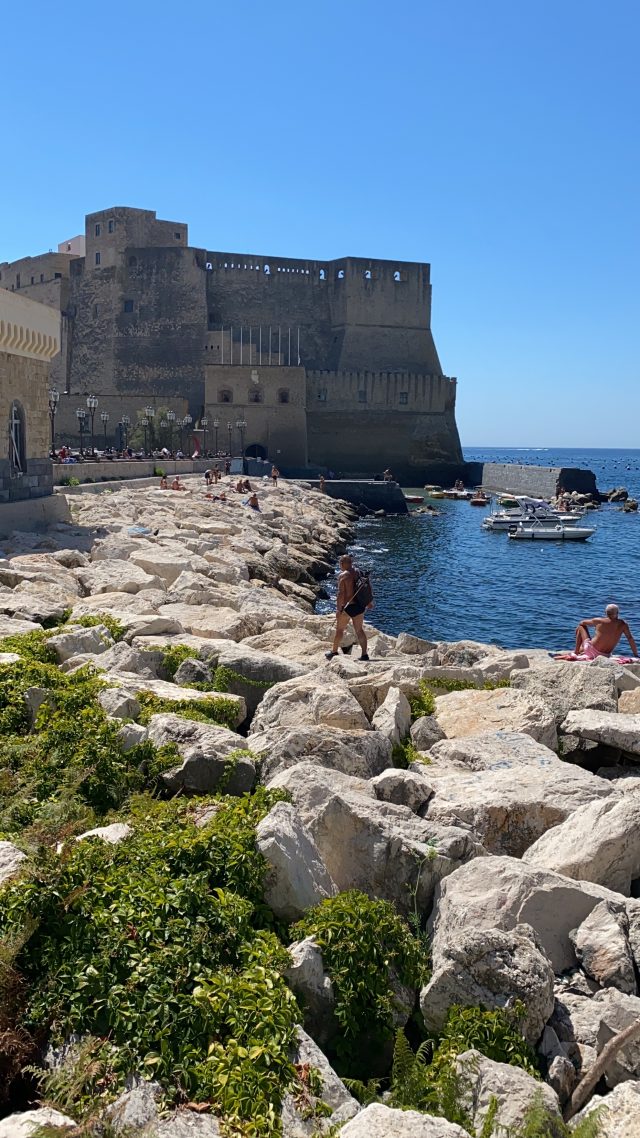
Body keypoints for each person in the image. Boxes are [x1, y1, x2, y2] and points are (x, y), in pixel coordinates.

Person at [325, 554, 373, 662]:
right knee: (359, 630)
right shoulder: (358, 573)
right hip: (359, 605)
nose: (339, 566)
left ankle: (334, 652)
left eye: (340, 563)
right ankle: (364, 654)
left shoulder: (343, 576)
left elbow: (340, 594)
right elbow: (365, 587)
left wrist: (338, 609)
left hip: (347, 607)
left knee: (340, 630)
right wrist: (369, 602)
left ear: (342, 564)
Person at [574, 604, 638, 659]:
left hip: (591, 651)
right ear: (617, 613)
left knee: (580, 627)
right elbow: (630, 638)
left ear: (606, 612)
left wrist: (595, 624)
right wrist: (636, 655)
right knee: (583, 647)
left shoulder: (599, 621)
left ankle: (576, 652)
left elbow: (581, 622)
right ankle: (581, 650)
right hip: (606, 655)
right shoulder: (623, 624)